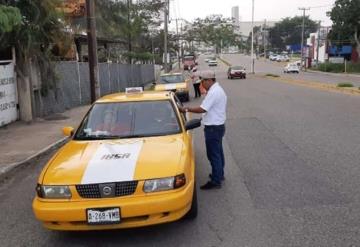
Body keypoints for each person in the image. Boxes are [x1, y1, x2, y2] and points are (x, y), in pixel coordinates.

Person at [179, 70, 227, 190]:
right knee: (218, 153)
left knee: (213, 154)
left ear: (209, 80)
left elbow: (203, 109)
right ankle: (219, 174)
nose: (202, 85)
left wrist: (186, 109)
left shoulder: (214, 92)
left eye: (203, 82)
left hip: (213, 128)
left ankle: (216, 181)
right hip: (218, 126)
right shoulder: (217, 90)